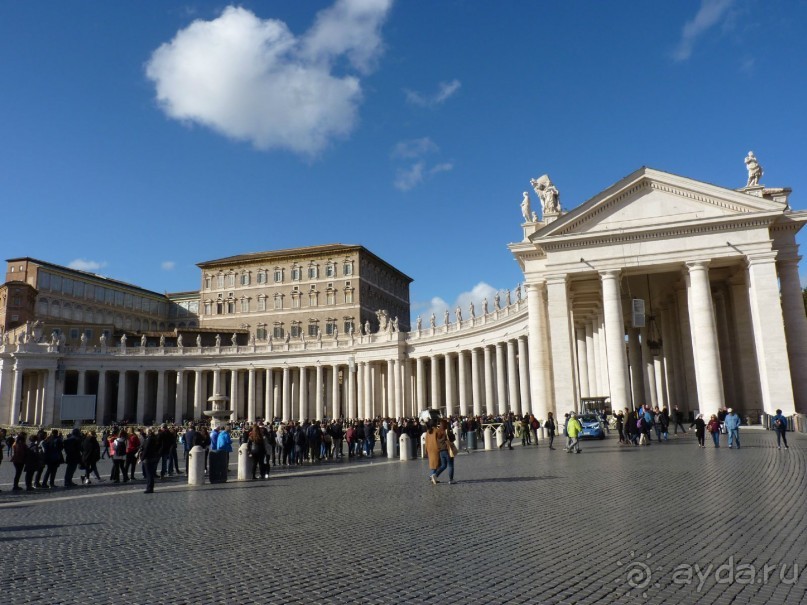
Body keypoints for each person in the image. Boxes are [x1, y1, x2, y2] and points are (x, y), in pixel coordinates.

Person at [425, 419, 449, 485]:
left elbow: (426, 441)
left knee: (434, 464)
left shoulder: (427, 431)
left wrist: (426, 450)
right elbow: (440, 439)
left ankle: (433, 477)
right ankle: (432, 476)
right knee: (436, 464)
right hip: (436, 448)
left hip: (430, 449)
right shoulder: (436, 431)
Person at [140, 428, 161, 494]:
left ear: (148, 432)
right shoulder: (154, 438)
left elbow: (146, 449)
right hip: (153, 457)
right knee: (151, 473)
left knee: (149, 474)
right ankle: (150, 487)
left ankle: (149, 488)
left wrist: (141, 458)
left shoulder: (149, 439)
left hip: (148, 458)